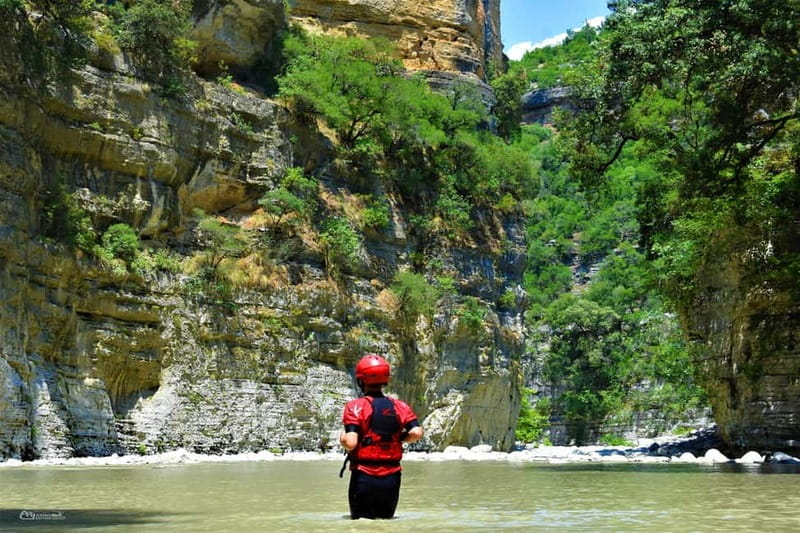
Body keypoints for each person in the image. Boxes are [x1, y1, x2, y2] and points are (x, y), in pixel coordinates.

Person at [339, 353, 423, 520]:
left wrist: (342, 437)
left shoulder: (355, 406)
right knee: (386, 523)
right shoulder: (400, 406)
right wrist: (400, 438)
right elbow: (416, 433)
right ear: (385, 379)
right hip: (391, 477)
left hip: (364, 475)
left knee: (361, 525)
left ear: (361, 380)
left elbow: (350, 442)